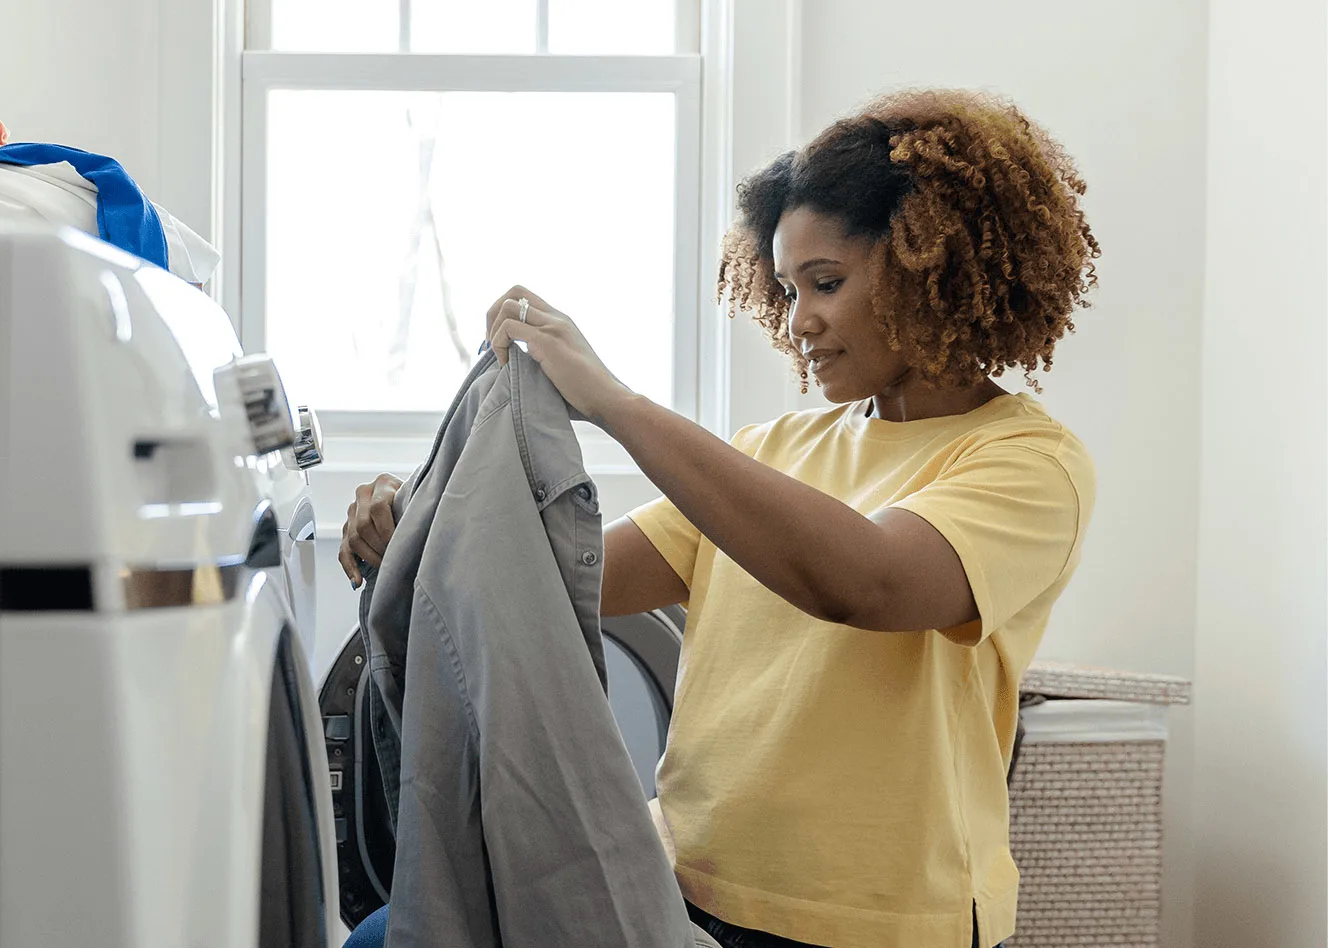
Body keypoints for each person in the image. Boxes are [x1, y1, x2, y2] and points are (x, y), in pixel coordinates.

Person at [339, 89, 1099, 948]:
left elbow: (867, 581)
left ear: (935, 266)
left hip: (875, 926)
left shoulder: (1028, 462)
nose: (798, 319)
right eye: (784, 289)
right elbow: (572, 581)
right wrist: (417, 515)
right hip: (681, 889)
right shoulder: (771, 447)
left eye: (826, 283)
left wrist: (615, 403)